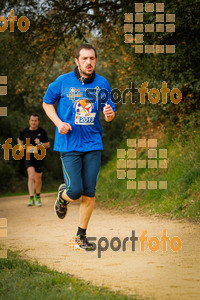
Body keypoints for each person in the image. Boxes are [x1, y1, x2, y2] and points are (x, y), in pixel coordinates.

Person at [42, 44, 115, 250]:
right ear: (77, 61)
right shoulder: (63, 81)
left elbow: (109, 113)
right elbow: (47, 103)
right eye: (84, 59)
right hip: (69, 143)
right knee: (75, 191)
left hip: (93, 143)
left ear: (96, 61)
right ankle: (63, 197)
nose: (89, 62)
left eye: (92, 58)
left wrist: (109, 114)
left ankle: (80, 236)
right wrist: (58, 123)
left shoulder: (102, 84)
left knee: (89, 193)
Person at [17, 113, 50, 206]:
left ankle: (38, 196)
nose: (33, 122)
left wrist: (40, 143)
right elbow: (19, 139)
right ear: (29, 121)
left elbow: (48, 144)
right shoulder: (24, 131)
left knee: (38, 179)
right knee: (31, 176)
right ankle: (31, 198)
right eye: (32, 120)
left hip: (39, 157)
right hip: (28, 157)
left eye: (35, 120)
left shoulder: (42, 132)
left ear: (38, 122)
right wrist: (20, 146)